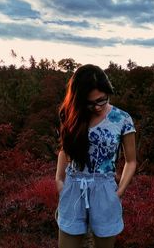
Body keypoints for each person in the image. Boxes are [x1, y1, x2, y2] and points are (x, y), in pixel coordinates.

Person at [55, 64, 137, 248]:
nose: (98, 106)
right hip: (73, 187)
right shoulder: (71, 115)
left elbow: (131, 161)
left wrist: (119, 192)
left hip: (105, 190)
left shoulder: (122, 119)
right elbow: (64, 150)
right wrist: (59, 180)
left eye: (102, 100)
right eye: (90, 103)